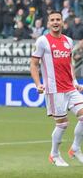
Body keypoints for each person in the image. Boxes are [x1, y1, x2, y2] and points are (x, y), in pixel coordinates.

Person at [30, 11, 83, 167]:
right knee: (62, 124)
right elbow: (33, 64)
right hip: (54, 90)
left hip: (70, 88)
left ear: (62, 22)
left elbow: (69, 64)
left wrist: (74, 81)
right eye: (52, 20)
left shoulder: (68, 40)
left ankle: (75, 149)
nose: (55, 22)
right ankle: (54, 154)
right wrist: (37, 83)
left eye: (58, 19)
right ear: (48, 23)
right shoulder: (42, 41)